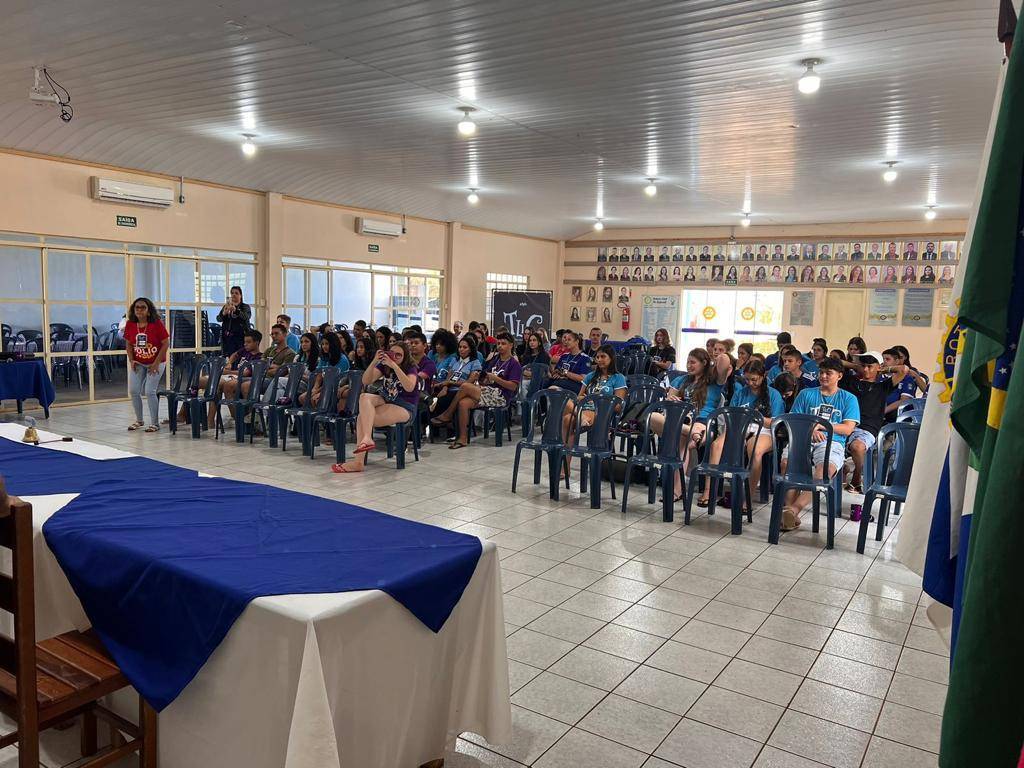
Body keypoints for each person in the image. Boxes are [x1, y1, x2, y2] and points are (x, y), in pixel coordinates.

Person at [779, 357, 860, 531]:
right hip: (803, 439)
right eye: (821, 373)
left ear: (839, 376)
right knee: (786, 463)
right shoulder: (806, 394)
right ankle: (789, 514)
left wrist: (821, 426)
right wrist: (810, 430)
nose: (823, 376)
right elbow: (793, 420)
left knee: (824, 471)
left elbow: (847, 429)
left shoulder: (849, 398)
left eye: (828, 373)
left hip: (832, 441)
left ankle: (793, 510)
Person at [699, 359, 784, 506]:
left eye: (754, 379)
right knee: (716, 445)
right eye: (747, 379)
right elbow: (731, 416)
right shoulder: (740, 393)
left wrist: (756, 417)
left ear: (763, 376)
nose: (750, 383)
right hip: (740, 427)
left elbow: (775, 423)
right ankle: (709, 490)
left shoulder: (774, 394)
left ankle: (748, 497)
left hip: (765, 430)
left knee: (755, 451)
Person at [649, 348, 726, 501]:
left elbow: (724, 361)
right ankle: (692, 434)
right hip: (682, 420)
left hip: (703, 422)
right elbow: (668, 403)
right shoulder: (681, 380)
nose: (689, 366)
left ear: (704, 363)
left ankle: (677, 491)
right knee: (652, 417)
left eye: (693, 362)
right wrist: (671, 400)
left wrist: (716, 355)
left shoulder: (714, 381)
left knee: (681, 444)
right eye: (688, 362)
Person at [331, 342, 419, 473]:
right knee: (364, 397)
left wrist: (394, 366)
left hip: (405, 406)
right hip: (386, 399)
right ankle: (367, 438)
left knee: (362, 418)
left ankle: (358, 462)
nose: (395, 357)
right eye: (392, 354)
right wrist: (374, 361)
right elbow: (366, 381)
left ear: (405, 356)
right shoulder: (385, 366)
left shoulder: (410, 368)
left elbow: (409, 387)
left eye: (399, 355)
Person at [442, 333, 523, 450]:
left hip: (501, 396)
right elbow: (485, 379)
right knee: (463, 403)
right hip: (487, 391)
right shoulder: (494, 360)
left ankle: (447, 414)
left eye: (503, 344)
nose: (500, 346)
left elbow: (513, 387)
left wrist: (496, 379)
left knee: (465, 386)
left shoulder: (514, 364)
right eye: (498, 343)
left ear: (511, 345)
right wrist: (481, 378)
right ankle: (462, 438)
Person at [840, 350, 893, 494]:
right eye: (863, 366)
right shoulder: (852, 381)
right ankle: (843, 468)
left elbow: (904, 370)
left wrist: (883, 369)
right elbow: (836, 362)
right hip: (846, 424)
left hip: (868, 427)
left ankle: (857, 477)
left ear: (878, 367)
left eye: (870, 366)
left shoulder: (882, 386)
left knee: (857, 447)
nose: (865, 369)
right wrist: (856, 366)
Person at [124, 297, 169, 432]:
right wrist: (131, 360)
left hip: (156, 362)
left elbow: (165, 343)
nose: (139, 310)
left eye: (143, 307)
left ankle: (155, 423)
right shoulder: (130, 324)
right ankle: (139, 420)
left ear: (149, 311)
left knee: (150, 391)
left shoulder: (156, 324)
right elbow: (128, 344)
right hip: (139, 362)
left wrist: (156, 363)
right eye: (137, 307)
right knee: (134, 391)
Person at [430, 335, 482, 419]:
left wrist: (450, 383)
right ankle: (433, 421)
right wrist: (445, 388)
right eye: (460, 347)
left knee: (443, 400)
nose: (461, 349)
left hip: (462, 390)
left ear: (470, 349)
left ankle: (444, 421)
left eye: (465, 347)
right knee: (433, 395)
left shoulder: (475, 363)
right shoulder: (455, 360)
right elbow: (448, 377)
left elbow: (469, 382)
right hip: (449, 387)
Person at [882, 347, 929, 421]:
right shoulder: (880, 376)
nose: (884, 362)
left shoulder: (909, 375)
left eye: (900, 357)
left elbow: (905, 400)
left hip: (897, 413)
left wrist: (915, 376)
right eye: (883, 359)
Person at [547, 331, 591, 398]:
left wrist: (565, 373)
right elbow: (556, 371)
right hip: (561, 381)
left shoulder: (584, 358)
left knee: (555, 385)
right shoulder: (564, 356)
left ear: (577, 341)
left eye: (569, 340)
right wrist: (556, 373)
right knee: (544, 382)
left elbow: (583, 379)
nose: (566, 342)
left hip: (576, 385)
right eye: (566, 340)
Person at [217, 286, 252, 357]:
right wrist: (224, 313)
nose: (234, 295)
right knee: (228, 357)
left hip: (241, 337)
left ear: (240, 295)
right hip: (227, 338)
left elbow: (246, 317)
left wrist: (236, 310)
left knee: (240, 356)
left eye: (236, 293)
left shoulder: (245, 307)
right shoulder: (226, 306)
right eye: (232, 293)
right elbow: (218, 319)